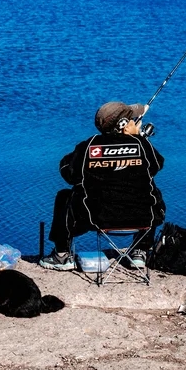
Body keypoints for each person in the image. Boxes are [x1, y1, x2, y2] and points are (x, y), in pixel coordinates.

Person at [40, 101, 166, 271]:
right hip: (141, 218)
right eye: (132, 119)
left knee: (64, 196)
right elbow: (157, 165)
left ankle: (62, 255)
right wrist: (137, 138)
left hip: (96, 218)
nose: (135, 121)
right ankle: (140, 251)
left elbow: (67, 171)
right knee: (152, 192)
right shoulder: (141, 145)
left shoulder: (90, 146)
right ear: (124, 124)